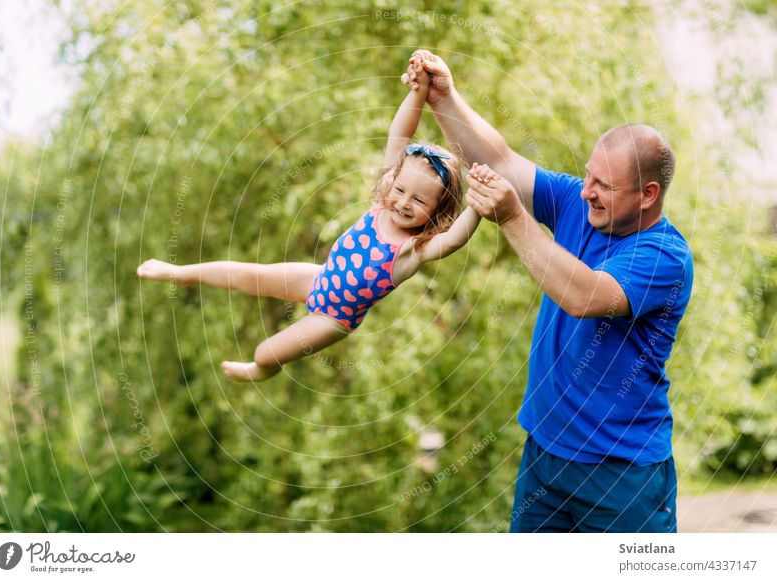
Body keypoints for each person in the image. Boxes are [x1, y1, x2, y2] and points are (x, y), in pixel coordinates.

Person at [403, 50, 693, 532]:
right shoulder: (580, 205)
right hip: (545, 455)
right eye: (587, 175)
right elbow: (498, 161)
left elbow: (586, 297)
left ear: (647, 195)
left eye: (604, 185)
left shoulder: (665, 257)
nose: (586, 192)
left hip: (620, 473)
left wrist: (515, 218)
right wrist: (444, 98)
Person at [137, 56, 481, 382]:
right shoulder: (382, 202)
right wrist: (417, 91)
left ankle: (261, 370)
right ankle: (178, 273)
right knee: (246, 274)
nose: (404, 202)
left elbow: (454, 239)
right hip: (318, 280)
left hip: (331, 319)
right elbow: (398, 135)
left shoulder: (413, 249)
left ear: (437, 210)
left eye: (419, 200)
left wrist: (479, 205)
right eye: (402, 190)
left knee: (265, 352)